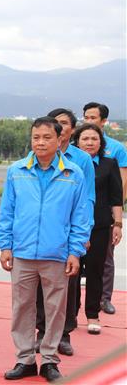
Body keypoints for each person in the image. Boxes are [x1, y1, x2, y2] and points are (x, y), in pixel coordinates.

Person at [0, 117, 88, 382]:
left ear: (59, 140)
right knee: (22, 308)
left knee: (55, 310)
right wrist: (5, 246)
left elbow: (80, 216)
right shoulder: (16, 171)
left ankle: (49, 360)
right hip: (22, 252)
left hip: (57, 254)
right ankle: (25, 359)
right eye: (36, 137)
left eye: (47, 137)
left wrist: (75, 251)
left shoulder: (73, 174)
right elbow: (7, 211)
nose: (40, 142)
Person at [35, 109, 96, 356]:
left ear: (71, 129)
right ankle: (42, 331)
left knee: (68, 285)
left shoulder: (81, 160)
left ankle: (64, 334)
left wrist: (84, 234)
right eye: (54, 123)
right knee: (39, 285)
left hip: (69, 232)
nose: (58, 127)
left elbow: (87, 198)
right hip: (41, 233)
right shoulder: (37, 155)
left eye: (63, 123)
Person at [73, 123, 123, 334]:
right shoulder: (69, 163)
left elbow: (116, 197)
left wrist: (117, 224)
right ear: (77, 142)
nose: (90, 142)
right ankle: (71, 314)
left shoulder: (109, 164)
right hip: (73, 225)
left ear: (101, 143)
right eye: (85, 138)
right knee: (72, 271)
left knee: (95, 270)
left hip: (100, 225)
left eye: (94, 139)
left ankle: (92, 314)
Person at [83, 102, 127, 315]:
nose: (88, 121)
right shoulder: (77, 147)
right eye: (86, 117)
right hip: (81, 216)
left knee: (104, 259)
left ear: (103, 121)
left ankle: (104, 298)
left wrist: (116, 215)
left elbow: (121, 182)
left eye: (93, 118)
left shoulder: (116, 149)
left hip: (104, 213)